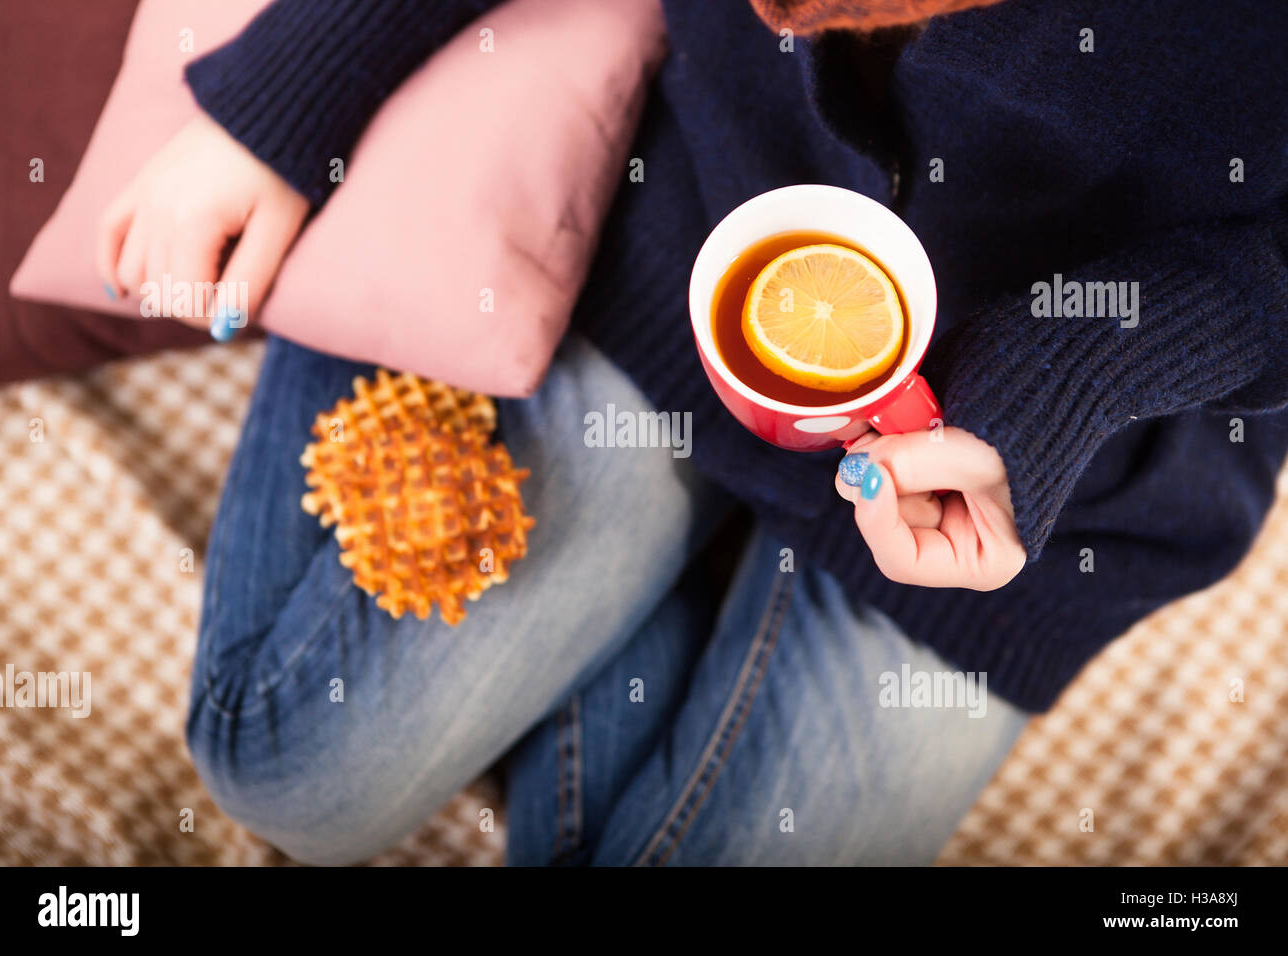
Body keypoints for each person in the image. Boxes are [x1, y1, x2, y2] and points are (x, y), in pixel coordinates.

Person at [96, 0, 1288, 864]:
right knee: (289, 773)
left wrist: (1058, 379)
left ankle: (689, 562)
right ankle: (421, 292)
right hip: (691, 237)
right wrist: (287, 104)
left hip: (1065, 464)